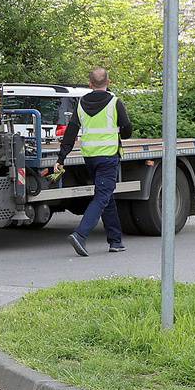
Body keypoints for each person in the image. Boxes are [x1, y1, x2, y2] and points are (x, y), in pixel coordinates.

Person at [58, 67, 135, 256]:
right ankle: (80, 235)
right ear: (108, 82)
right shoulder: (115, 103)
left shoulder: (81, 103)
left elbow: (71, 132)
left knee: (106, 196)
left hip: (90, 158)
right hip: (108, 157)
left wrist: (61, 158)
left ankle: (115, 240)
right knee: (102, 197)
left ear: (90, 84)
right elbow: (126, 131)